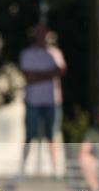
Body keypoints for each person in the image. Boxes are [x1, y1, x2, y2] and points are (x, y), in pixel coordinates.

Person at [19, 24, 67, 177]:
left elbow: (61, 70)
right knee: (29, 136)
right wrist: (50, 74)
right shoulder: (27, 54)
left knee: (52, 136)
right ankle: (23, 170)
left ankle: (56, 171)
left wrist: (38, 76)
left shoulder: (55, 52)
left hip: (52, 103)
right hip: (33, 102)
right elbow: (28, 76)